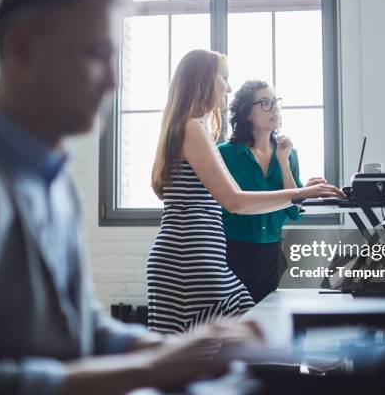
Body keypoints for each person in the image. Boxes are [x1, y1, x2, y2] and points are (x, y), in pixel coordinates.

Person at [0, 0, 262, 394]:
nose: (114, 80)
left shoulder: (56, 183)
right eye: (98, 54)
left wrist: (170, 350)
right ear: (24, 47)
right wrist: (145, 371)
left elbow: (82, 328)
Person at [148, 50, 345, 334]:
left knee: (240, 343)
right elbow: (235, 201)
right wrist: (301, 194)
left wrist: (299, 192)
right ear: (203, 80)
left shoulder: (196, 129)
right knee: (228, 348)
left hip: (201, 259)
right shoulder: (192, 128)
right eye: (223, 78)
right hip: (187, 263)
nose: (228, 88)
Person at [218, 80, 330, 303]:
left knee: (264, 321)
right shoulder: (224, 155)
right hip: (232, 251)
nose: (275, 108)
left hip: (271, 253)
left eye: (275, 102)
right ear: (247, 113)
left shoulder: (288, 153)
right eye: (265, 103)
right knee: (234, 321)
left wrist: (284, 161)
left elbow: (294, 211)